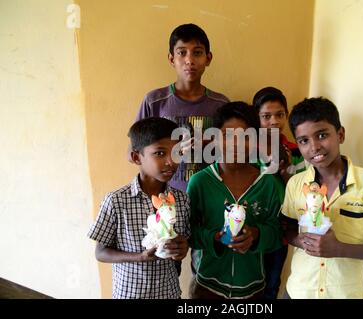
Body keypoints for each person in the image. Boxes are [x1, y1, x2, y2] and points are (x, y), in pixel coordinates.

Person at [281, 97, 363, 298]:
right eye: (304, 141)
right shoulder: (296, 184)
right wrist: (303, 241)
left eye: (322, 135)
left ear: (340, 134)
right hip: (299, 291)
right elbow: (287, 230)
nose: (314, 147)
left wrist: (338, 248)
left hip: (345, 293)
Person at [187, 102, 283, 299]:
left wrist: (256, 235)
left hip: (253, 289)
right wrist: (213, 238)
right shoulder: (200, 182)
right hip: (206, 287)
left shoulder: (268, 183)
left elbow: (278, 233)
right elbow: (188, 231)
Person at [88, 117, 190, 299]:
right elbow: (101, 252)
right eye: (160, 153)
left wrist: (182, 248)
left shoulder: (181, 199)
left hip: (169, 293)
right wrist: (139, 257)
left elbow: (182, 241)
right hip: (130, 294)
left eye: (176, 153)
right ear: (137, 157)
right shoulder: (116, 201)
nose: (171, 162)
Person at [131, 23, 229, 192]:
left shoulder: (221, 104)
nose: (189, 60)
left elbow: (235, 149)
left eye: (197, 53)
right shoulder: (154, 101)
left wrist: (207, 143)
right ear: (171, 59)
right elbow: (133, 154)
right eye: (182, 53)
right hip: (165, 199)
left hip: (210, 195)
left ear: (208, 58)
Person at [252, 87, 306, 299]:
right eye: (266, 116)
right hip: (251, 226)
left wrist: (285, 173)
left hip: (281, 230)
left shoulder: (295, 151)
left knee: (272, 283)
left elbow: (302, 192)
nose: (274, 121)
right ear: (256, 117)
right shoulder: (249, 150)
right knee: (250, 285)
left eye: (279, 115)